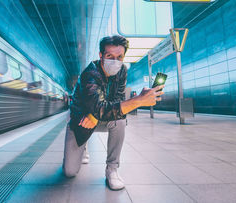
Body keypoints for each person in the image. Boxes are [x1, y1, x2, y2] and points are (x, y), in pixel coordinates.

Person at [62, 35, 164, 190]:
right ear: (101, 55)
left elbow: (118, 98)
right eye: (110, 56)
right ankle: (83, 143)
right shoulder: (90, 74)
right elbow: (99, 107)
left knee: (120, 121)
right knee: (69, 172)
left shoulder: (122, 70)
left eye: (119, 57)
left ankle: (112, 169)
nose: (115, 61)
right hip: (81, 120)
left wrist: (97, 114)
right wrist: (139, 101)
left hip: (97, 117)